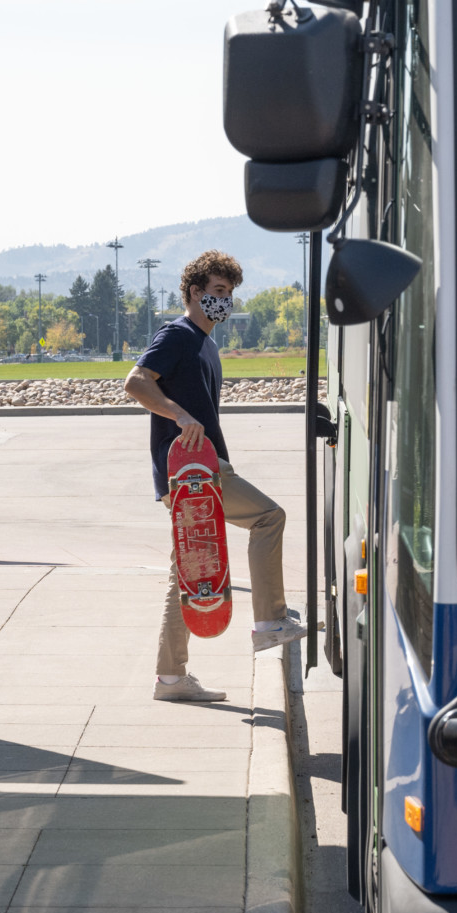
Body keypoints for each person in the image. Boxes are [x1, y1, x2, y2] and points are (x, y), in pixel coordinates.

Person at [125, 250, 306, 702]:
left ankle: (170, 678)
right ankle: (269, 622)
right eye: (217, 292)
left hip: (197, 469)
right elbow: (136, 381)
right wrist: (180, 415)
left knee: (181, 573)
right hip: (192, 471)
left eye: (229, 293)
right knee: (269, 517)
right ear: (193, 292)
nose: (224, 301)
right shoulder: (180, 334)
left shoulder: (206, 343)